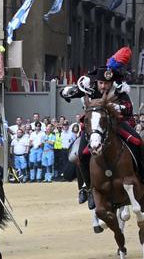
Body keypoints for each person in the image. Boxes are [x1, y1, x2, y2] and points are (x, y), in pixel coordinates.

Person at [60, 46, 144, 202]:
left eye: (107, 83)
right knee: (81, 155)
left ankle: (141, 175)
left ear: (112, 82)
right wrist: (66, 92)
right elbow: (71, 92)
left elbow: (129, 108)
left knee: (138, 141)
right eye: (101, 83)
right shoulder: (90, 88)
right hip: (93, 127)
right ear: (96, 82)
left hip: (116, 124)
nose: (103, 86)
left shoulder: (119, 91)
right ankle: (87, 188)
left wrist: (116, 107)